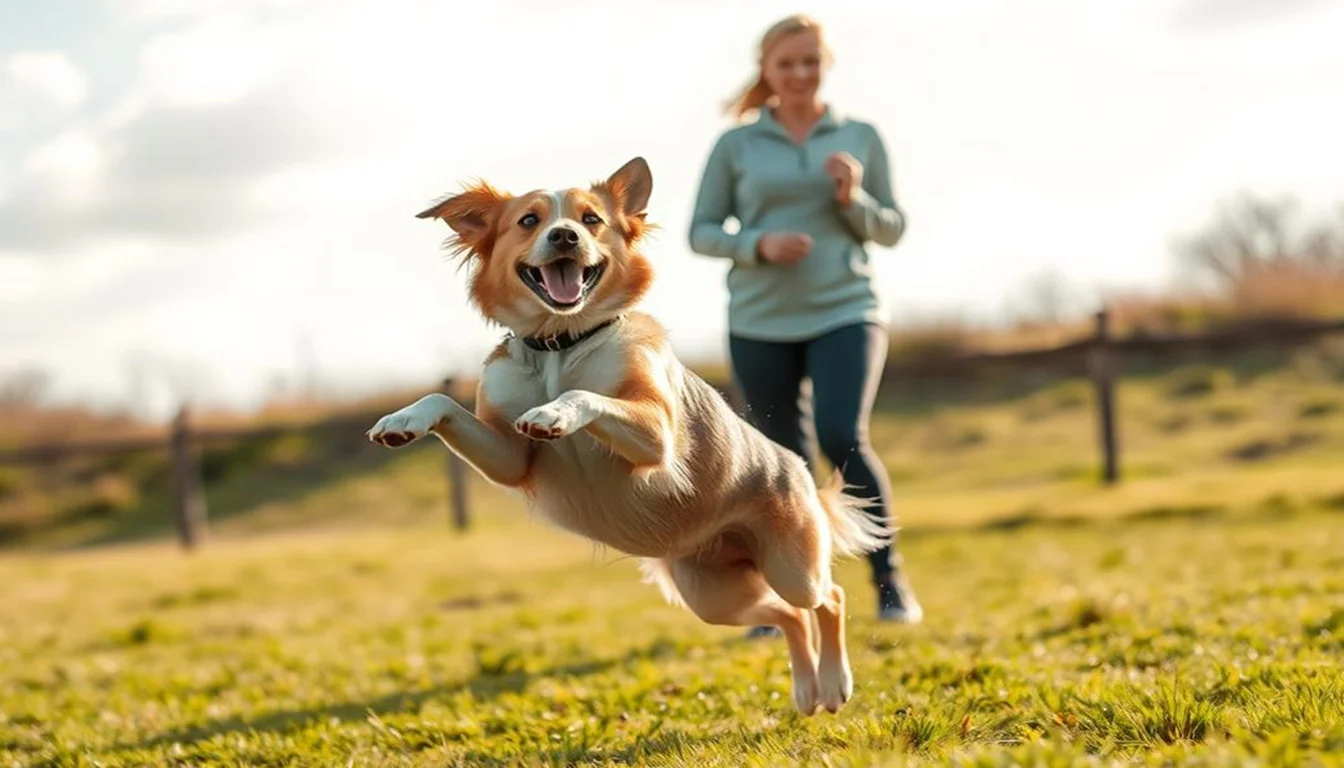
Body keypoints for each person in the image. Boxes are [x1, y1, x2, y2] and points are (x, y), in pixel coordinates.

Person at [686, 13, 922, 630]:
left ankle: (889, 580)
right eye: (786, 63)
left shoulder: (860, 136)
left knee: (845, 435)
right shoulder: (736, 145)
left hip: (847, 307)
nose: (798, 73)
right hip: (761, 318)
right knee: (778, 463)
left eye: (809, 62)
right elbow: (701, 231)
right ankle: (779, 600)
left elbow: (892, 228)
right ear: (766, 70)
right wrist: (757, 244)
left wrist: (854, 199)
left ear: (826, 65)